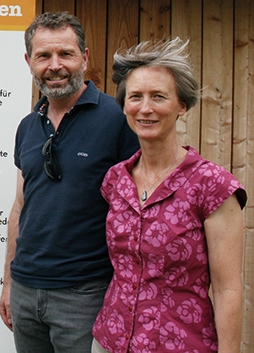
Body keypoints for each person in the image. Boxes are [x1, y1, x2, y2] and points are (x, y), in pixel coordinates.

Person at [92, 38, 246, 353]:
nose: (145, 108)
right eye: (135, 97)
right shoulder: (115, 180)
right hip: (110, 340)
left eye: (159, 96)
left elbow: (228, 289)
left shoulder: (214, 186)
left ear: (182, 105)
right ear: (124, 106)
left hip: (178, 344)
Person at [0, 12, 139, 353]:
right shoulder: (27, 126)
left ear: (85, 58)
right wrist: (8, 282)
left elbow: (137, 211)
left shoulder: (118, 120)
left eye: (66, 54)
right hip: (26, 291)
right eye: (44, 56)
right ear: (29, 61)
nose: (55, 65)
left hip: (86, 294)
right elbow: (20, 206)